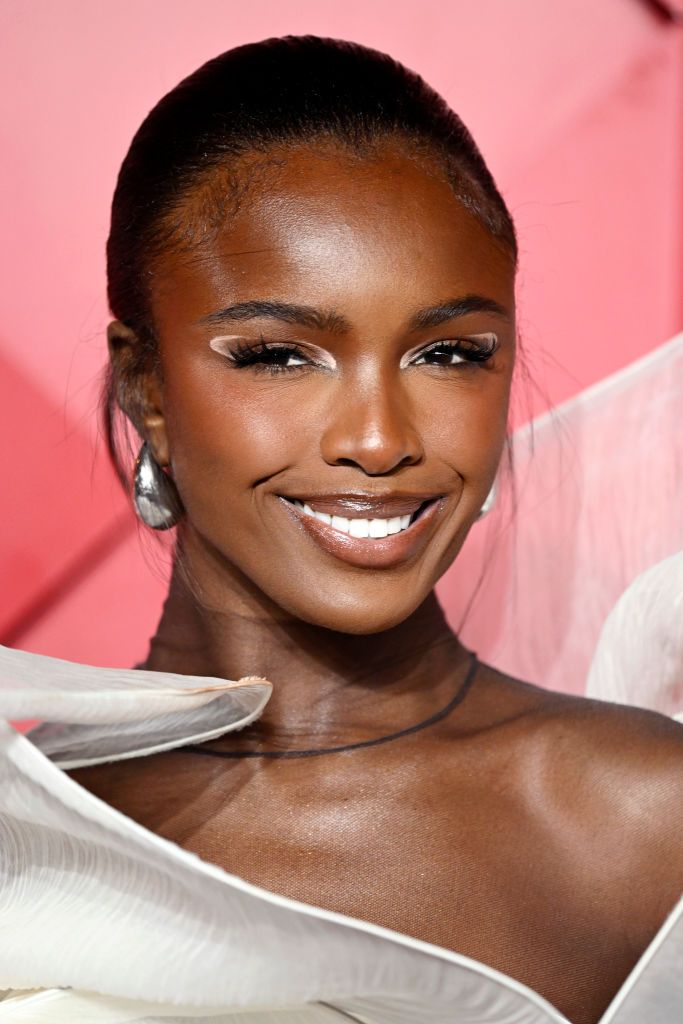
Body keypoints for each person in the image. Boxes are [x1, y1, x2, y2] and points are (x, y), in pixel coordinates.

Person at [58, 36, 681, 1024]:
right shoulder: (28, 833)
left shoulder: (641, 822)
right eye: (276, 355)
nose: (380, 439)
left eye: (447, 352)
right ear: (147, 388)